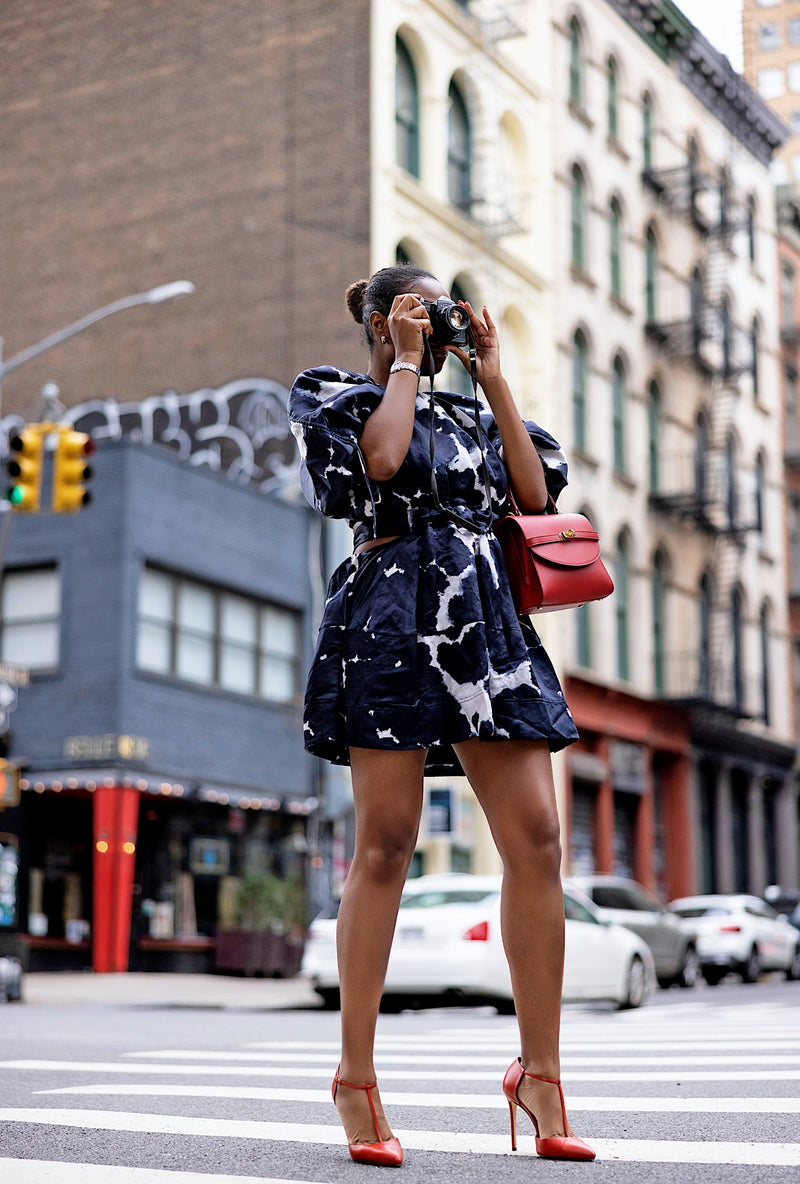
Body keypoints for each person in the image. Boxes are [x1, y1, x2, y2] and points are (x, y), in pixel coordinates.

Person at [288, 263, 595, 1166]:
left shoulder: (476, 413)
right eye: (416, 310)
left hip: (487, 621)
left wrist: (492, 372)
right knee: (386, 843)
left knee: (538, 840)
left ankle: (541, 1073)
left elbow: (535, 499)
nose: (435, 322)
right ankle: (355, 1075)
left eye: (441, 311)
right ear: (383, 323)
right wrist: (408, 368)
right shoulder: (337, 399)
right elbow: (379, 466)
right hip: (390, 619)